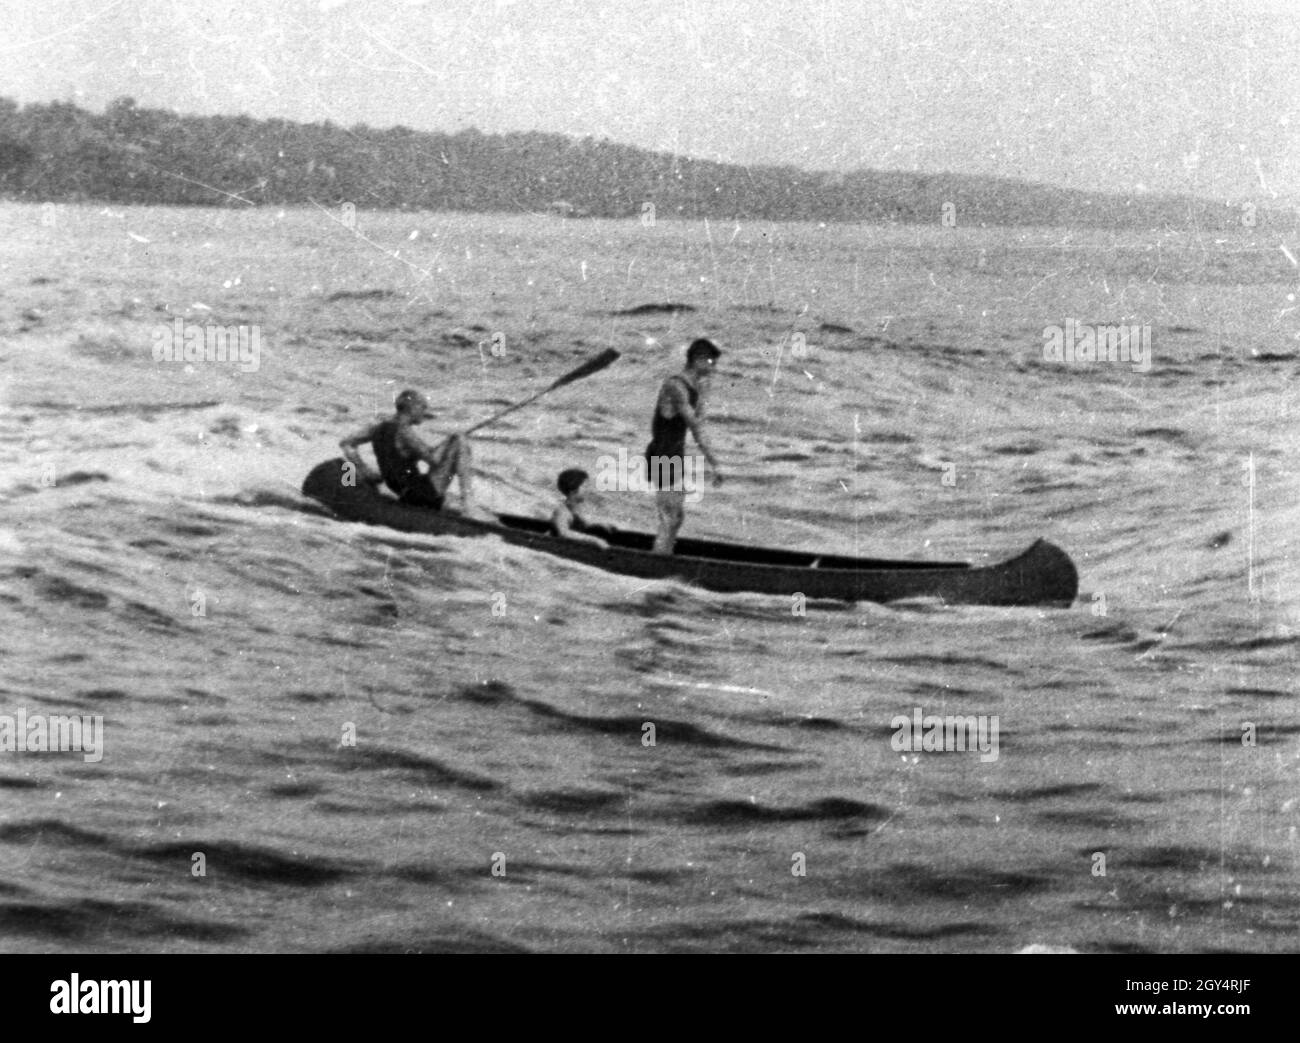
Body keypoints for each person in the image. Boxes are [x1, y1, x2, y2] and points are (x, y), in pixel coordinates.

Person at [339, 389, 486, 517]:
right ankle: (468, 504)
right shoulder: (405, 432)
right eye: (423, 407)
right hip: (420, 496)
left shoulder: (378, 427)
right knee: (459, 440)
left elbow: (347, 443)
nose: (425, 411)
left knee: (452, 444)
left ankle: (463, 504)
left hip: (402, 492)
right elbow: (434, 460)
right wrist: (449, 442)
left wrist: (364, 469)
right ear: (412, 408)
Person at [645, 338, 724, 554]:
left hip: (674, 455)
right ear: (697, 360)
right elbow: (696, 427)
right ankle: (657, 563)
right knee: (669, 517)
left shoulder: (693, 386)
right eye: (710, 362)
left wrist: (703, 393)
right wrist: (715, 464)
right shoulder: (675, 386)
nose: (713, 368)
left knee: (676, 518)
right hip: (662, 454)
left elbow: (699, 419)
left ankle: (664, 556)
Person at [550, 469, 608, 549]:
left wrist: (599, 525)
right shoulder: (562, 511)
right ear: (573, 490)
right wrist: (594, 540)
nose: (589, 490)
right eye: (585, 486)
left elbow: (583, 524)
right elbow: (564, 533)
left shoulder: (576, 508)